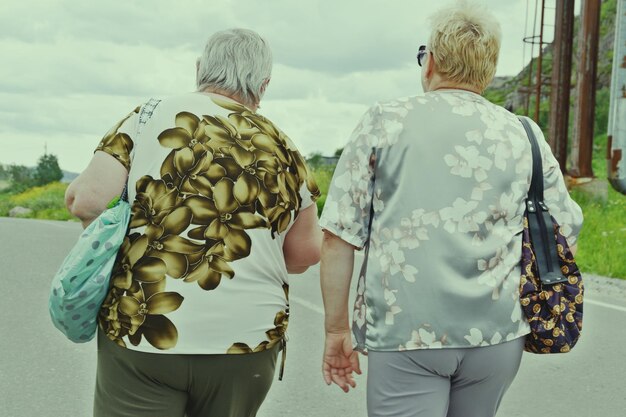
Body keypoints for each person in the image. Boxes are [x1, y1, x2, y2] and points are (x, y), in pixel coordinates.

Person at [318, 2, 583, 417]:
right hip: (497, 334)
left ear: (432, 62)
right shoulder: (523, 133)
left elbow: (337, 236)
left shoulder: (386, 121)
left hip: (407, 331)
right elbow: (565, 227)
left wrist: (336, 329)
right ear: (489, 70)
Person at [65, 28, 322, 417]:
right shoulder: (285, 146)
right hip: (244, 343)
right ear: (264, 85)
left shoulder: (147, 117)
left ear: (200, 69)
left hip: (144, 329)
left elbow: (86, 201)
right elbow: (304, 253)